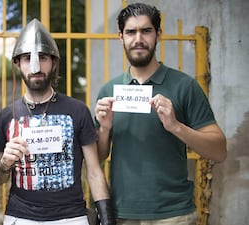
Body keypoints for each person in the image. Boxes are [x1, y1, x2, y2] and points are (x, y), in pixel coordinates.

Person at [95, 3, 227, 225]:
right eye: (131, 32)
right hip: (123, 214)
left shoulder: (185, 86)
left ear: (159, 35)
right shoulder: (109, 92)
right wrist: (105, 128)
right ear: (121, 37)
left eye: (146, 31)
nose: (138, 38)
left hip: (174, 215)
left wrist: (176, 126)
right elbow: (97, 157)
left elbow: (219, 151)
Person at [0, 18, 115, 225]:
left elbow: (94, 171)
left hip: (71, 217)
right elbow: (0, 177)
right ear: (17, 64)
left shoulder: (77, 111)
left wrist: (106, 216)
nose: (35, 66)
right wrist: (4, 163)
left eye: (42, 57)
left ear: (54, 62)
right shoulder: (6, 116)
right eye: (27, 59)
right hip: (21, 217)